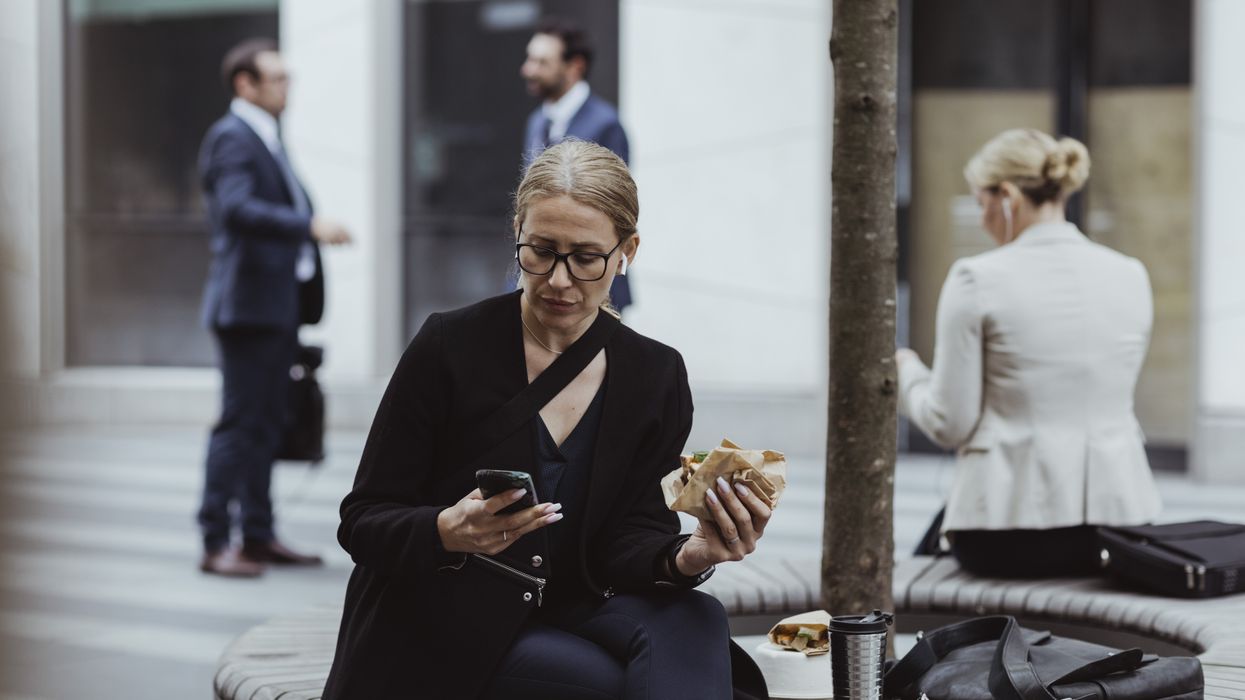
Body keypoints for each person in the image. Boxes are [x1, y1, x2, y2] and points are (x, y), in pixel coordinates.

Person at [322, 140, 770, 700]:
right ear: (517, 233)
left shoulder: (655, 374)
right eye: (540, 251)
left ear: (627, 250)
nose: (559, 280)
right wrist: (446, 530)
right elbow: (363, 519)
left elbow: (630, 541)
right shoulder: (448, 346)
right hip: (444, 619)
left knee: (698, 617)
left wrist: (689, 555)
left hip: (575, 606)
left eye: (585, 257)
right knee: (614, 686)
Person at [896, 128, 1162, 578]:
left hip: (1007, 529)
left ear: (1007, 196)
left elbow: (948, 422)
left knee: (925, 557)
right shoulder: (1131, 273)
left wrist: (907, 375)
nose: (981, 219)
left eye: (981, 204)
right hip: (1120, 525)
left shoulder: (975, 278)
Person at [197, 38, 352, 577]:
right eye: (278, 78)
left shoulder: (265, 136)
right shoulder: (232, 137)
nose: (289, 87)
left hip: (275, 307)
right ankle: (216, 539)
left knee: (265, 424)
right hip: (247, 308)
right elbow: (236, 209)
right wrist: (307, 226)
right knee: (240, 423)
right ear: (246, 84)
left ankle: (258, 536)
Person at [521, 17, 633, 314]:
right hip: (542, 277)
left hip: (591, 285)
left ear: (575, 66)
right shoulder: (537, 121)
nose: (528, 70)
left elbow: (616, 211)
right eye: (530, 59)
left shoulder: (605, 124)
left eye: (542, 62)